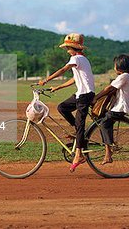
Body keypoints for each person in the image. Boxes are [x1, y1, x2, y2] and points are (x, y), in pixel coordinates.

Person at [39, 33, 95, 172]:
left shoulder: (76, 58)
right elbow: (75, 79)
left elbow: (63, 70)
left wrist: (46, 80)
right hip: (80, 94)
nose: (67, 50)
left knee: (80, 122)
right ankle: (78, 133)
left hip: (85, 95)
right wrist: (58, 87)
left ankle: (79, 154)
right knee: (62, 107)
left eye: (68, 48)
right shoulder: (81, 60)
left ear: (73, 47)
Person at [92, 54, 129, 165]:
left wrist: (96, 97)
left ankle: (108, 153)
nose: (114, 67)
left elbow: (109, 88)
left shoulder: (124, 76)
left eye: (115, 65)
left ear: (120, 66)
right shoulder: (124, 77)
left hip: (120, 108)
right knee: (100, 120)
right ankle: (107, 150)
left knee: (104, 124)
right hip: (117, 107)